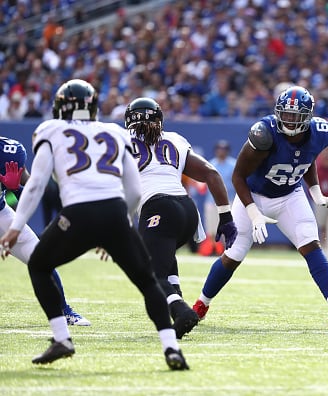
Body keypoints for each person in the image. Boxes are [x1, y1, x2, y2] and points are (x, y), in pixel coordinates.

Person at [0, 79, 188, 369]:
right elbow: (135, 190)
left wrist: (16, 226)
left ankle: (62, 339)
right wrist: (122, 224)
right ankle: (171, 349)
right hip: (114, 212)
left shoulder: (51, 130)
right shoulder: (114, 132)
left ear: (62, 107)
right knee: (148, 280)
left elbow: (36, 185)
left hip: (77, 214)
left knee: (39, 265)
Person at [191, 85, 328, 329]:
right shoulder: (264, 133)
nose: (289, 120)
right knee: (234, 254)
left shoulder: (320, 132)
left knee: (310, 243)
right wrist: (253, 212)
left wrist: (316, 193)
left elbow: (306, 158)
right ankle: (201, 304)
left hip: (290, 194)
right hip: (254, 195)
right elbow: (238, 176)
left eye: (295, 115)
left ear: (307, 115)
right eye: (285, 114)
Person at [124, 97, 237, 339]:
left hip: (157, 207)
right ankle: (179, 306)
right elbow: (211, 173)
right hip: (186, 210)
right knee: (164, 259)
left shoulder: (122, 142)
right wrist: (225, 217)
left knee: (151, 274)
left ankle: (182, 311)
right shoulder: (174, 139)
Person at [0, 137, 90, 326]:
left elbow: (32, 191)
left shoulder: (9, 151)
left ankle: (64, 311)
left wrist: (14, 189)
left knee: (40, 257)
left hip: (1, 212)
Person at [198, 139, 237, 257]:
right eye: (219, 149)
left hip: (229, 200)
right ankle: (213, 249)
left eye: (224, 149)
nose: (221, 152)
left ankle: (228, 250)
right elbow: (202, 183)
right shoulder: (211, 164)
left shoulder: (233, 164)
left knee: (228, 226)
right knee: (211, 228)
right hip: (212, 201)